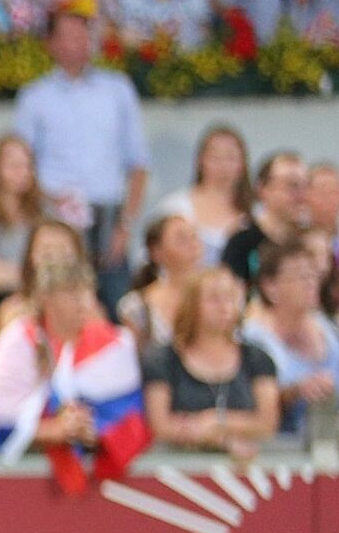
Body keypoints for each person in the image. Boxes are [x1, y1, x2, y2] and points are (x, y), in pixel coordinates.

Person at [13, 2, 148, 301]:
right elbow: (20, 166)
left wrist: (125, 226)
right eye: (69, 35)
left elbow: (138, 164)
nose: (80, 42)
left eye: (84, 34)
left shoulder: (118, 89)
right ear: (50, 43)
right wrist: (51, 200)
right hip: (56, 218)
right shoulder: (34, 97)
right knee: (58, 303)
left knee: (115, 307)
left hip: (109, 217)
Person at [0, 258, 149, 486]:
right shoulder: (17, 343)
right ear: (45, 299)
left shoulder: (112, 346)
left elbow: (129, 414)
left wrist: (96, 432)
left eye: (88, 293)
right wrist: (51, 431)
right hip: (21, 480)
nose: (84, 304)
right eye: (72, 294)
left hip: (98, 480)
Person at [141, 266, 280, 457]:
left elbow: (267, 422)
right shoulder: (162, 359)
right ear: (192, 304)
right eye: (214, 299)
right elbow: (160, 425)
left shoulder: (256, 357)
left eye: (230, 297)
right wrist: (220, 440)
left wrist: (216, 421)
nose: (225, 306)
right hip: (176, 468)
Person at [244, 239, 339, 436]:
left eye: (312, 274)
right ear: (270, 286)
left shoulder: (329, 330)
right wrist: (294, 392)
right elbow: (246, 403)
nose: (310, 283)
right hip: (278, 446)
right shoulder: (254, 340)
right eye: (300, 276)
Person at [153, 126, 250, 266]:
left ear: (242, 163)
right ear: (200, 160)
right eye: (215, 158)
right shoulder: (174, 207)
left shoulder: (257, 213)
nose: (223, 166)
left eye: (231, 157)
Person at [114, 212, 204, 355]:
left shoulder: (213, 297)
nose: (193, 245)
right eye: (181, 239)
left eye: (194, 237)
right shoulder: (136, 306)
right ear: (156, 252)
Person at [221, 150, 308, 296]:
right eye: (292, 186)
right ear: (263, 189)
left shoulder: (309, 242)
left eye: (304, 186)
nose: (301, 196)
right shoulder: (241, 243)